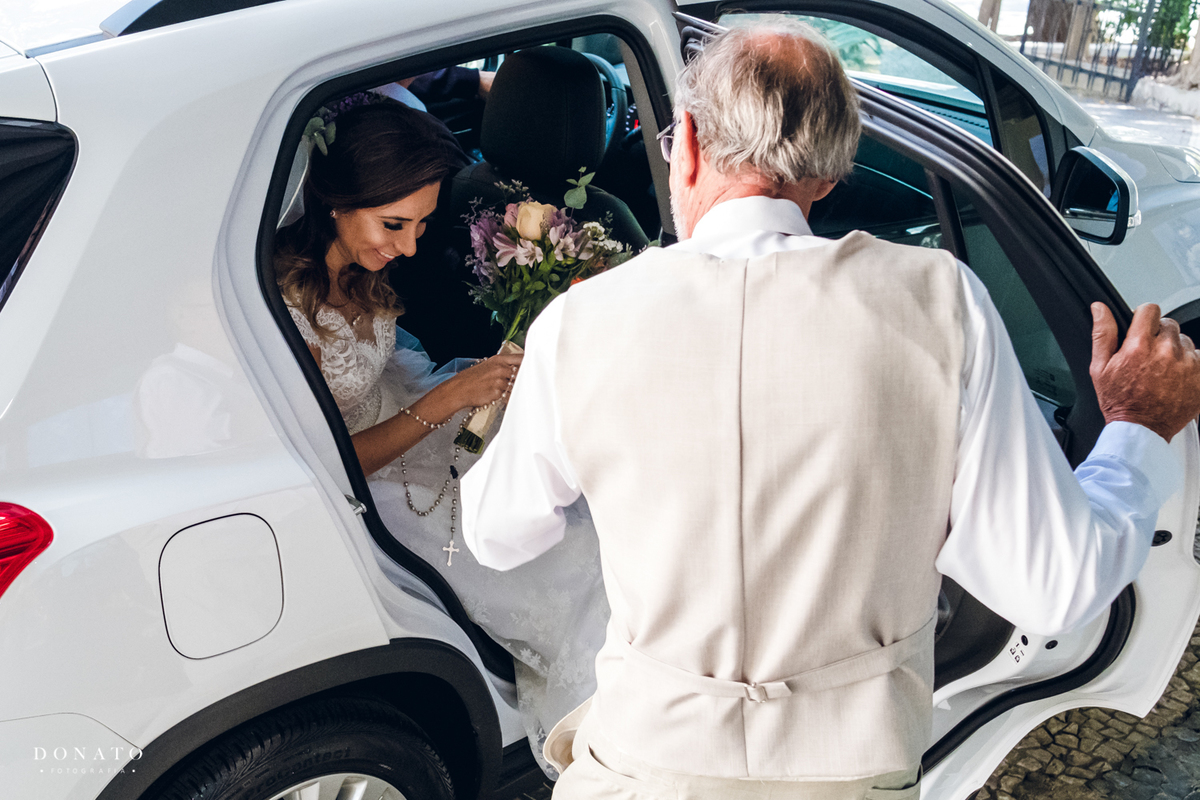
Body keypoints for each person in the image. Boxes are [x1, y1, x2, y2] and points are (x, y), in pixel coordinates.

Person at [459, 18, 1200, 800]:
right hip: (850, 774)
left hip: (642, 768)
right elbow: (1057, 585)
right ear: (831, 176)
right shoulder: (941, 301)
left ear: (689, 148)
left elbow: (498, 536)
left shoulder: (582, 323)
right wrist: (1136, 434)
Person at [274, 100, 609, 776]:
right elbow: (325, 462)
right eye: (394, 224)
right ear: (337, 201)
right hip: (366, 479)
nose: (410, 247)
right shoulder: (287, 310)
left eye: (422, 225)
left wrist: (471, 386)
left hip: (400, 409)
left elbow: (381, 362)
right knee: (564, 544)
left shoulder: (354, 263)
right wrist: (446, 402)